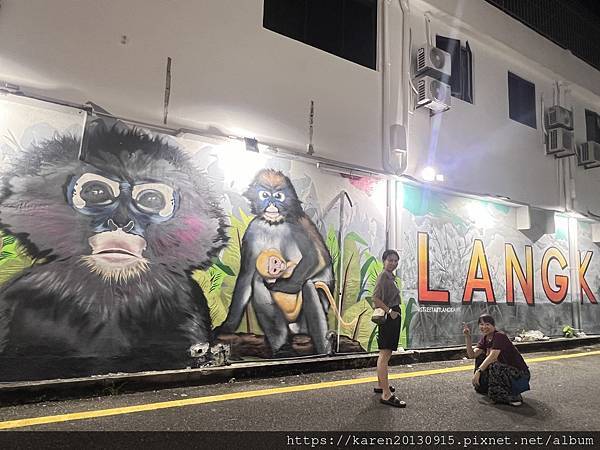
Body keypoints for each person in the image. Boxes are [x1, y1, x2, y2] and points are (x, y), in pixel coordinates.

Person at [463, 314, 530, 406]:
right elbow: (472, 355)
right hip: (506, 372)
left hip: (520, 376)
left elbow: (493, 356)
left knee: (494, 364)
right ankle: (488, 387)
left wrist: (478, 371)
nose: (484, 327)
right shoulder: (485, 338)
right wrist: (467, 337)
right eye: (481, 324)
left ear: (493, 326)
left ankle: (513, 396)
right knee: (481, 357)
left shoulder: (499, 336)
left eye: (487, 324)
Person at [372, 249, 406, 408]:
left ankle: (381, 386)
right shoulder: (383, 276)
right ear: (384, 261)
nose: (393, 263)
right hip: (389, 317)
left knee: (384, 352)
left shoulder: (390, 277)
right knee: (385, 354)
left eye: (396, 261)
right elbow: (375, 298)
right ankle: (386, 394)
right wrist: (390, 311)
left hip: (392, 316)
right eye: (390, 260)